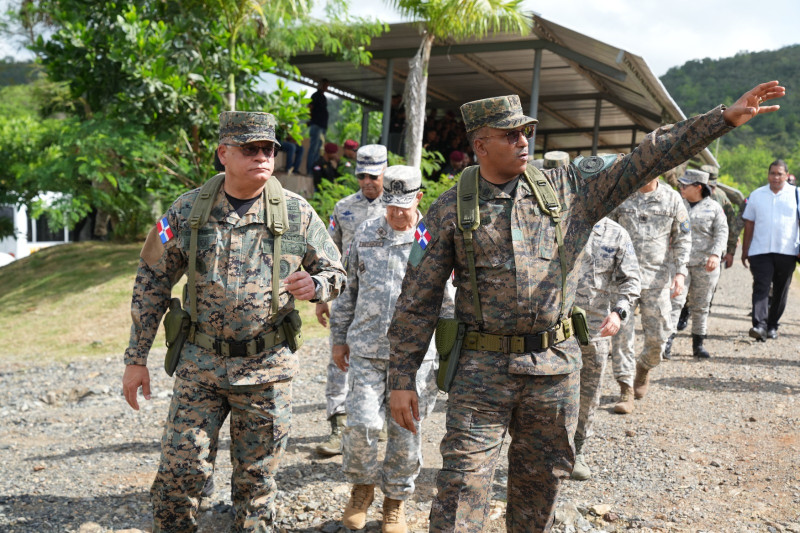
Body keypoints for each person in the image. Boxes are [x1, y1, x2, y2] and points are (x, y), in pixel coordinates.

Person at [387, 81, 784, 532]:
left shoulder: (572, 187)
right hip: (481, 372)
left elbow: (646, 158)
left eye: (526, 133)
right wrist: (401, 378)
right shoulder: (447, 211)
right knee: (460, 491)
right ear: (480, 145)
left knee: (541, 490)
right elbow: (417, 299)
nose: (523, 142)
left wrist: (721, 120)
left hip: (553, 371)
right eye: (510, 135)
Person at [121, 111, 346, 532]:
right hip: (200, 368)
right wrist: (137, 358)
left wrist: (316, 285)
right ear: (224, 153)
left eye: (269, 149)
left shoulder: (295, 212)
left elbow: (337, 273)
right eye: (250, 149)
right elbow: (151, 279)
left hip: (267, 372)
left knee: (256, 484)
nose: (262, 156)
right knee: (178, 475)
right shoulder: (187, 211)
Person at [331, 166, 454, 533]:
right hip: (367, 349)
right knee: (361, 424)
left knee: (406, 434)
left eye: (403, 207)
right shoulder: (367, 232)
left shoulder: (432, 238)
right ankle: (361, 490)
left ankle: (395, 502)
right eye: (390, 207)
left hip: (416, 358)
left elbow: (448, 304)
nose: (396, 214)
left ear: (419, 198)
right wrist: (339, 337)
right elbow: (349, 290)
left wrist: (448, 354)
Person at [315, 144, 388, 456]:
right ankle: (338, 424)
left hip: (385, 300)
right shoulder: (343, 207)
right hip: (348, 297)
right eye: (362, 175)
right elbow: (328, 252)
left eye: (373, 175)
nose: (367, 181)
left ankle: (378, 420)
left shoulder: (400, 207)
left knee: (385, 357)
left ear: (385, 171)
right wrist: (322, 296)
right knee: (339, 359)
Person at [608, 174, 690, 396]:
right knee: (622, 336)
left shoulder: (672, 199)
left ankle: (643, 367)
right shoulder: (621, 196)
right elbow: (607, 232)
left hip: (657, 280)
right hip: (623, 280)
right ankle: (625, 387)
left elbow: (683, 238)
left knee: (659, 336)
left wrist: (680, 272)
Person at [571, 217, 640, 481]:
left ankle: (578, 450)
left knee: (588, 394)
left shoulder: (617, 234)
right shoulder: (559, 221)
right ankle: (545, 451)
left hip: (595, 328)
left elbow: (631, 281)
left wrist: (618, 313)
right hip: (554, 326)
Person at [668, 170, 728, 358]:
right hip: (680, 266)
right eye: (681, 185)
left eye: (685, 185)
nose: (681, 188)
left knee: (701, 305)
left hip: (705, 265)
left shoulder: (714, 208)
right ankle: (666, 343)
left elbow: (721, 232)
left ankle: (698, 344)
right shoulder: (678, 204)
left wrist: (715, 254)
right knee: (675, 302)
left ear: (699, 187)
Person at [741, 160, 800, 341]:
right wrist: (745, 249)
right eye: (772, 173)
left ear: (786, 175)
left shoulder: (796, 194)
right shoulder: (757, 195)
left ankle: (772, 325)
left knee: (781, 290)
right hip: (760, 251)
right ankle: (759, 325)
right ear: (768, 175)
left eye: (779, 174)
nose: (775, 177)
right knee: (761, 287)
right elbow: (749, 223)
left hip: (787, 251)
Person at [305, 78, 329, 175]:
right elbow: (309, 108)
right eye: (325, 85)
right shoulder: (315, 95)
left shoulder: (323, 97)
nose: (326, 87)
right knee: (314, 148)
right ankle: (310, 171)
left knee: (318, 149)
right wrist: (310, 119)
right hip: (316, 125)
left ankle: (314, 170)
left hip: (322, 126)